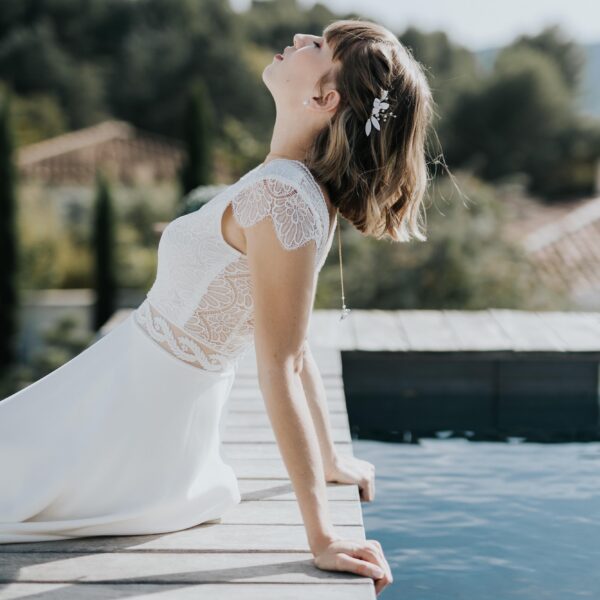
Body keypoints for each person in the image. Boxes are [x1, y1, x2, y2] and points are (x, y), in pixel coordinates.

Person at [0, 17, 434, 597]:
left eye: (319, 46)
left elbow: (281, 362)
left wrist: (322, 537)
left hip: (128, 424)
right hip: (115, 389)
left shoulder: (285, 196)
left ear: (324, 98)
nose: (300, 39)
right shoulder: (288, 183)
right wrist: (331, 461)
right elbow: (298, 350)